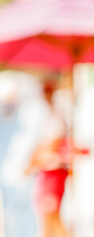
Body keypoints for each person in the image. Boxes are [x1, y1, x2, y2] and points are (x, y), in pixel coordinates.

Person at [25, 80, 89, 237]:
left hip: (53, 171)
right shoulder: (48, 117)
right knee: (47, 214)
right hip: (48, 170)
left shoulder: (54, 118)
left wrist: (35, 159)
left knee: (50, 213)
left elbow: (51, 145)